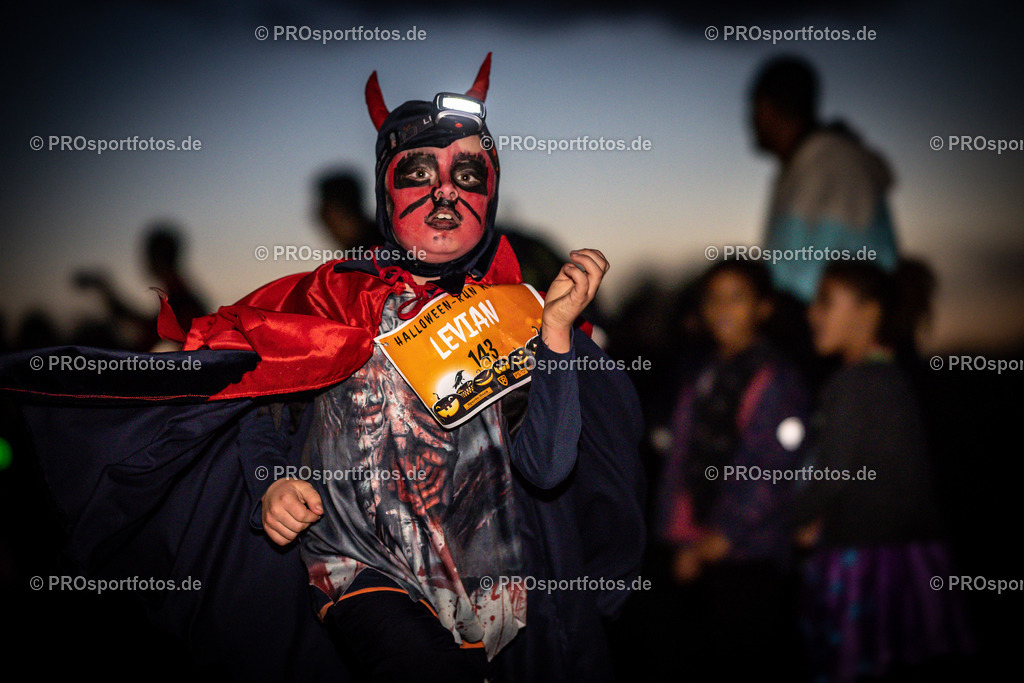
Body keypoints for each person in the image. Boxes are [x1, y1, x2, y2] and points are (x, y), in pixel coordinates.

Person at [1, 54, 645, 682]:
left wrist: (554, 340)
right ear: (385, 194)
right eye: (418, 172)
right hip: (357, 567)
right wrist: (270, 486)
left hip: (491, 590)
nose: (445, 192)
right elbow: (264, 407)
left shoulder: (518, 317)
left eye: (469, 174)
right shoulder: (329, 300)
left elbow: (550, 468)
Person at [795, 259, 975, 682]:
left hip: (863, 561)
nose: (811, 313)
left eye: (824, 301)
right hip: (915, 558)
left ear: (869, 310)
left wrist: (791, 519)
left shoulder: (851, 384)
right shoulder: (894, 378)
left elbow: (832, 473)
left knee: (852, 663)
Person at [656, 258, 808, 679]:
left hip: (751, 552)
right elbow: (683, 457)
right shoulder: (702, 373)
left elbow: (770, 466)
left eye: (737, 297)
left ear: (764, 308)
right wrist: (683, 534)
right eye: (713, 298)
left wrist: (722, 535)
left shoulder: (774, 379)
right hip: (701, 547)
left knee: (749, 655)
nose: (723, 307)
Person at [750, 55, 899, 304]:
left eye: (752, 109)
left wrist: (771, 315)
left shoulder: (836, 165)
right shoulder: (804, 169)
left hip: (822, 338)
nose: (749, 120)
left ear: (766, 108)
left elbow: (821, 274)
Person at [74, 222, 208, 351]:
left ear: (159, 258)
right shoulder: (181, 297)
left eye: (149, 256)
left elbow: (148, 331)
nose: (145, 262)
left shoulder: (183, 302)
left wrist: (105, 289)